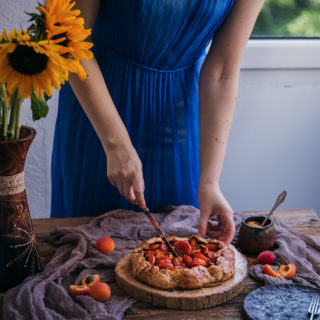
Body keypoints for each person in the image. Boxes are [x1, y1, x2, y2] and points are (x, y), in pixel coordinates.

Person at [51, 0, 264, 245]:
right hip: (99, 114)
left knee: (177, 252)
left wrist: (210, 181)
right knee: (89, 247)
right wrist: (116, 145)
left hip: (179, 120)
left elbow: (223, 72)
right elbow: (67, 43)